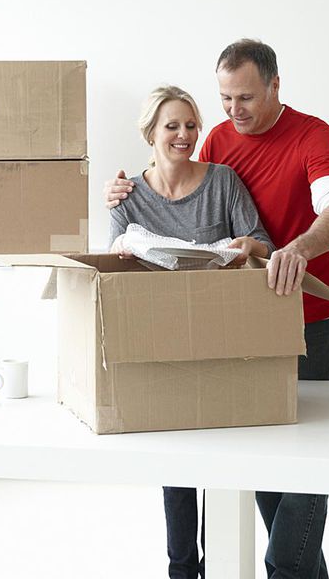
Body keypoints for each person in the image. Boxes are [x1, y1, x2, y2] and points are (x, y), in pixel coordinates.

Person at [106, 40, 329, 579]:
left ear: (275, 86)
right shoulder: (218, 140)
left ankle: (286, 564)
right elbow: (193, 207)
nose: (233, 111)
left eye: (244, 97)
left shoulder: (314, 135)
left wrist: (296, 248)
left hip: (314, 309)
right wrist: (124, 193)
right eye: (223, 98)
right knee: (269, 450)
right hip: (253, 319)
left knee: (310, 451)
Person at [110, 84, 275, 579]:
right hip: (162, 341)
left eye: (190, 125)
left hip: (223, 335)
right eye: (172, 126)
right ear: (150, 133)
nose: (184, 135)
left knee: (224, 455)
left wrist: (248, 245)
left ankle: (227, 562)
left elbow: (263, 243)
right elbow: (114, 269)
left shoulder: (223, 182)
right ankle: (182, 570)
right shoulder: (126, 196)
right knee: (175, 463)